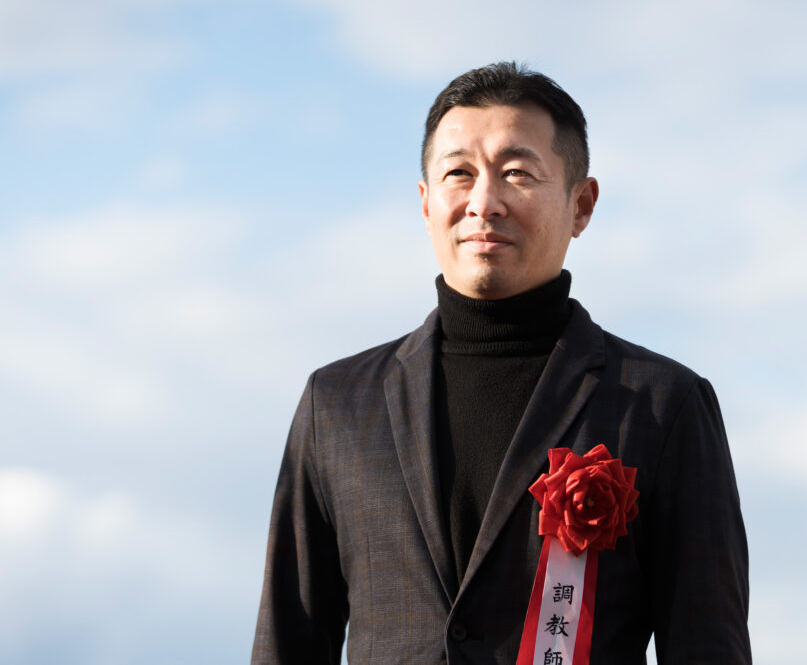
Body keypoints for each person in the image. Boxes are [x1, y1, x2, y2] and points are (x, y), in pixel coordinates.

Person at [252, 61, 751, 664]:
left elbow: (707, 645)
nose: (484, 202)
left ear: (581, 204)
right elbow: (287, 643)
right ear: (426, 203)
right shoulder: (337, 403)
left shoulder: (661, 405)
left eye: (517, 173)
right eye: (458, 174)